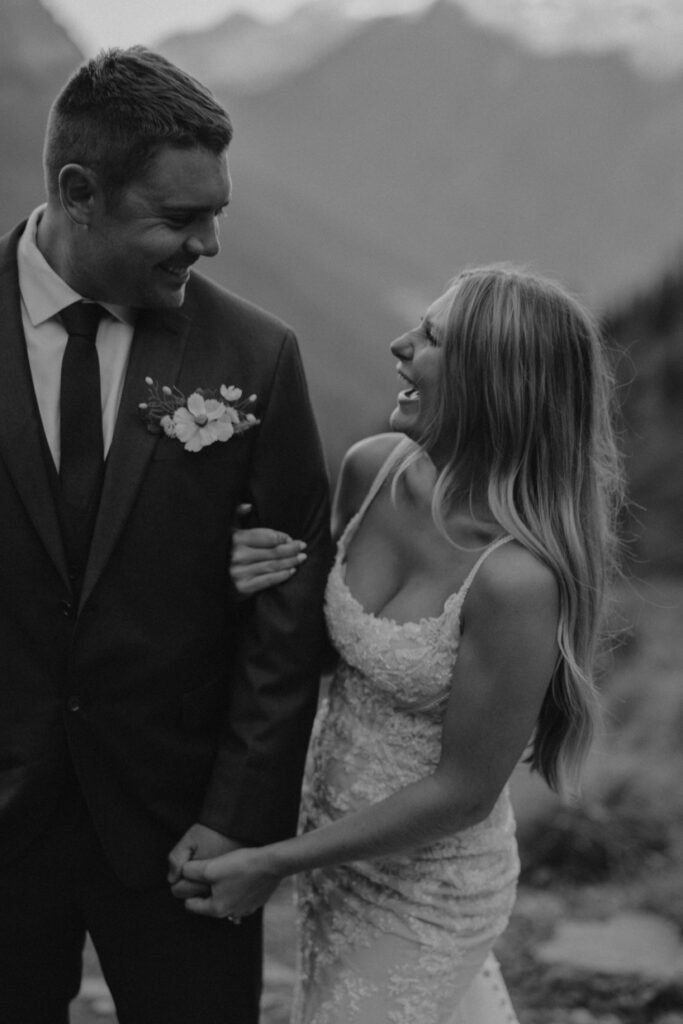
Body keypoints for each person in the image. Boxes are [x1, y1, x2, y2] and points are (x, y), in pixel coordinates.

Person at [182, 265, 623, 1023]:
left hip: (426, 889)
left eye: (428, 339)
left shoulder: (516, 579)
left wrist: (271, 862)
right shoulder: (371, 469)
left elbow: (463, 794)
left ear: (492, 383)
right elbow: (322, 652)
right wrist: (250, 578)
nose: (398, 345)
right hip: (338, 866)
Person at [0, 46, 331, 1024]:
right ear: (79, 191)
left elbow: (288, 610)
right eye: (181, 219)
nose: (210, 245)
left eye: (217, 213)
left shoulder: (255, 356)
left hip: (183, 830)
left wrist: (241, 818)